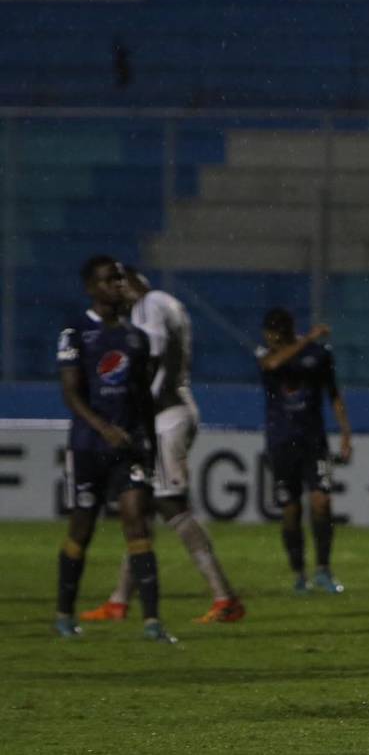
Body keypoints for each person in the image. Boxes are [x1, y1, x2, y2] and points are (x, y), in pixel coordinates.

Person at [80, 267, 244, 625]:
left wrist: (134, 408)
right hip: (168, 412)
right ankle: (120, 601)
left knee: (169, 503)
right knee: (143, 506)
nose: (118, 289)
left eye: (121, 282)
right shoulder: (163, 303)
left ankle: (225, 597)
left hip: (166, 416)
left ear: (136, 283)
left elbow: (153, 360)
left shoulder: (151, 305)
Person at [54, 256, 174, 642]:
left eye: (121, 279)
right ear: (91, 287)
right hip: (89, 446)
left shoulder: (136, 338)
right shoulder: (76, 332)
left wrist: (151, 450)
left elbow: (142, 400)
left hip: (128, 450)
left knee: (136, 523)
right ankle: (64, 613)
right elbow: (72, 394)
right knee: (81, 529)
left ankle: (153, 621)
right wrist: (104, 428)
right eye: (110, 280)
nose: (119, 285)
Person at [256, 308, 352, 594]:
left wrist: (345, 433)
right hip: (281, 443)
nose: (271, 339)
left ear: (285, 331)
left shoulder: (318, 355)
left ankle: (323, 569)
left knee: (322, 502)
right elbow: (272, 365)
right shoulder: (266, 355)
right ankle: (299, 574)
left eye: (276, 334)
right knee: (290, 509)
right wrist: (307, 338)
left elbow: (333, 393)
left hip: (313, 442)